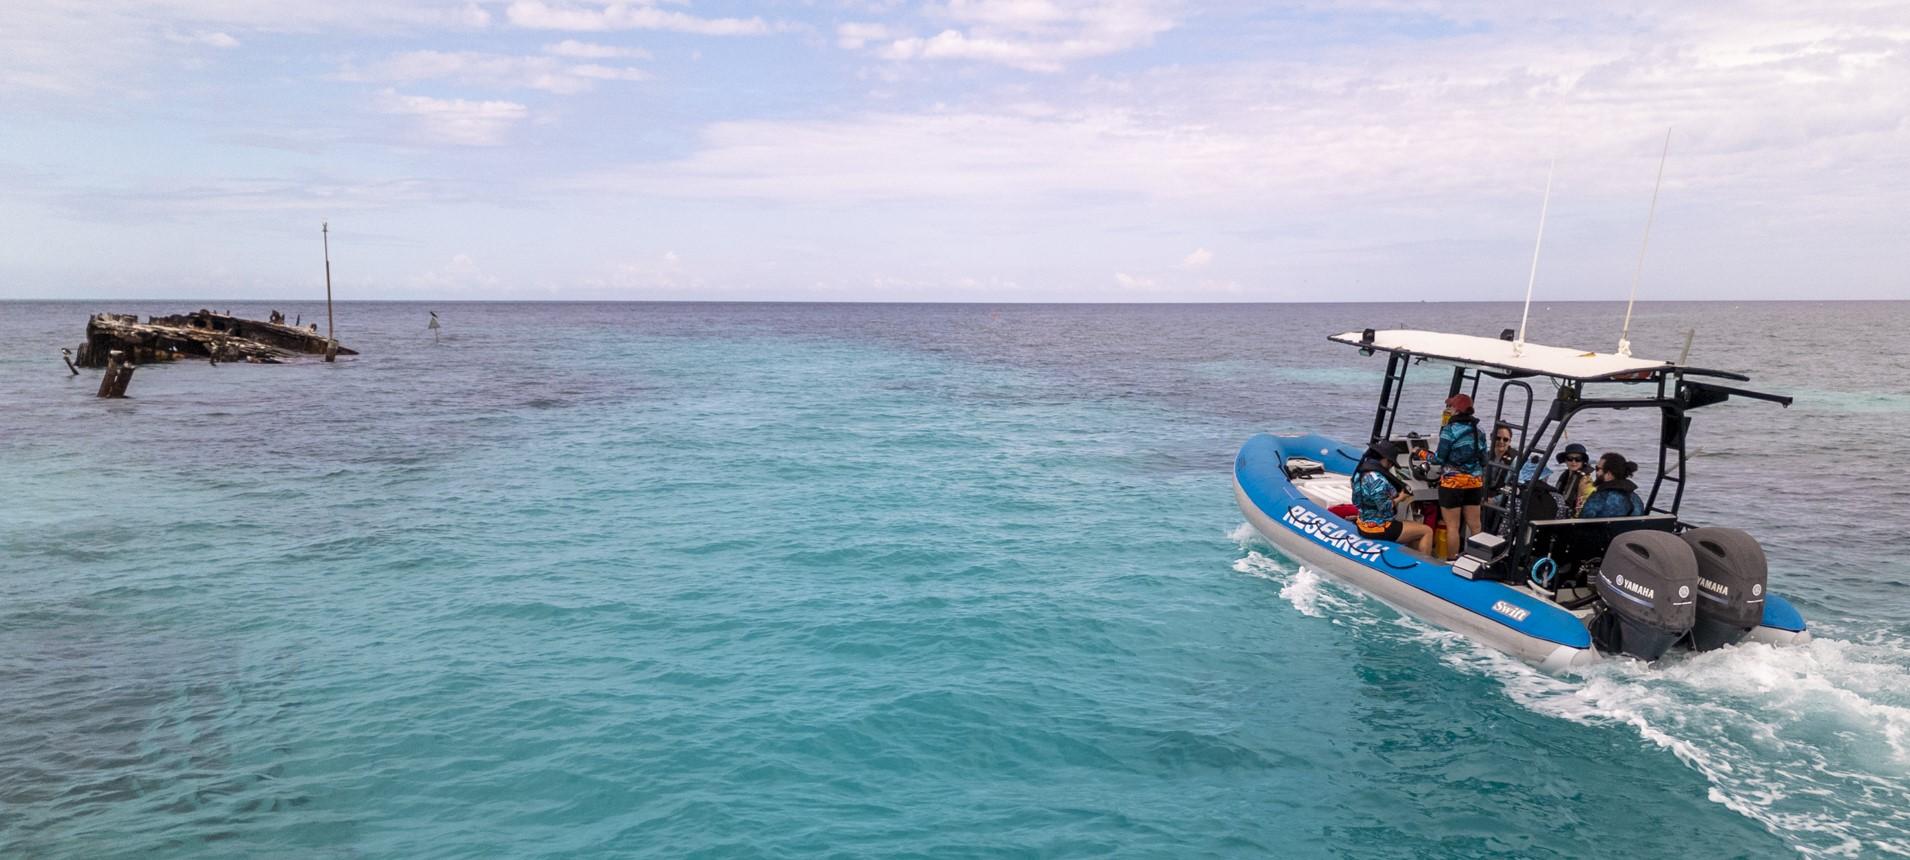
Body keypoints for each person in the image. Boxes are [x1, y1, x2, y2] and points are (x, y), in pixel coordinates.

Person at [1351, 442, 1434, 555]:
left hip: (1363, 523)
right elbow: (1385, 508)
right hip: (1378, 528)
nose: (1391, 466)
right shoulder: (1378, 480)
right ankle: (1424, 565)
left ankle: (1411, 558)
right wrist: (1400, 498)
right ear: (1385, 459)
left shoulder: (1359, 474)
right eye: (1391, 463)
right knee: (1426, 531)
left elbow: (1356, 502)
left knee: (1412, 526)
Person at [1431, 393, 1487, 560]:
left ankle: (1452, 560)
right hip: (1474, 483)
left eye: (1450, 407)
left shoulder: (1449, 431)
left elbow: (1439, 459)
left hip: (1453, 484)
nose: (1448, 409)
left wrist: (1420, 453)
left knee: (1452, 527)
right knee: (1476, 526)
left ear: (1456, 409)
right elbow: (1484, 458)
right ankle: (1477, 560)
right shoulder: (1479, 430)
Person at [1579, 452, 1646, 518]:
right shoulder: (1636, 499)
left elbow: (1583, 519)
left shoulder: (1600, 497)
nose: (1595, 472)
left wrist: (1581, 496)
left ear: (1608, 474)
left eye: (1597, 469)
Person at [1552, 442, 1596, 516]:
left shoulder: (1585, 480)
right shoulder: (1565, 476)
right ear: (1565, 460)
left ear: (1583, 461)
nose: (1573, 462)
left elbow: (1586, 505)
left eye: (1578, 459)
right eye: (1570, 458)